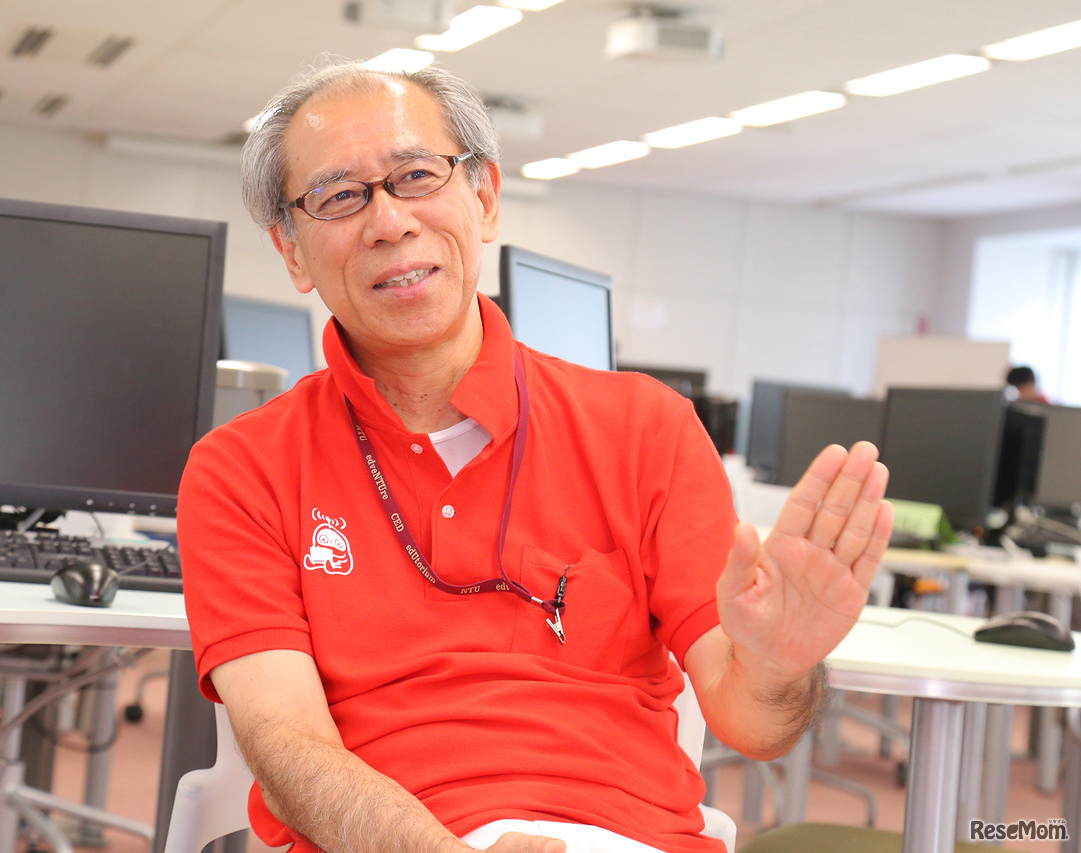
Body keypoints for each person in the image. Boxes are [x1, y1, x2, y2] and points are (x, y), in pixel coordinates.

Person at [178, 58, 893, 853]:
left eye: (416, 175)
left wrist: (779, 663)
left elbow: (753, 724)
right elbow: (287, 746)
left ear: (483, 197)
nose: (389, 222)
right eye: (339, 196)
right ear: (291, 249)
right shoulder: (240, 467)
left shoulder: (646, 427)